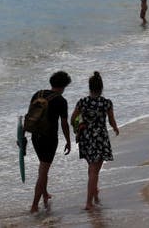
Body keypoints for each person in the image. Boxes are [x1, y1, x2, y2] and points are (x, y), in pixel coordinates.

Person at [71, 72, 119, 211]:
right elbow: (110, 120)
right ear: (101, 88)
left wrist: (78, 127)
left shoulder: (82, 102)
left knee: (92, 168)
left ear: (89, 87)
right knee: (94, 171)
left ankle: (95, 193)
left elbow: (72, 119)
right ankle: (88, 202)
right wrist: (115, 128)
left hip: (85, 138)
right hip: (100, 139)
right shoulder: (106, 103)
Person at [28, 71, 72, 213]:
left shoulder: (38, 94)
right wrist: (68, 140)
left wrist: (21, 136)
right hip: (49, 139)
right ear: (64, 86)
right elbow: (64, 124)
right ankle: (34, 205)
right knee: (43, 170)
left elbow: (29, 116)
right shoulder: (61, 101)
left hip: (35, 136)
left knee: (43, 167)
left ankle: (45, 194)